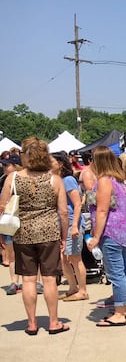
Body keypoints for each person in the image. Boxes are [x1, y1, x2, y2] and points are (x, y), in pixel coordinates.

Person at [0, 137, 68, 335]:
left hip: (23, 233)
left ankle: (31, 323)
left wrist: (3, 233)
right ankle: (53, 322)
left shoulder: (13, 178)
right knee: (49, 279)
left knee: (28, 280)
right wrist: (64, 236)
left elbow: (3, 206)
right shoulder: (54, 179)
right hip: (48, 233)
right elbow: (63, 212)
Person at [87, 147, 126, 326]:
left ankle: (119, 313)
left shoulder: (104, 182)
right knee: (123, 271)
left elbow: (101, 210)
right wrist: (121, 217)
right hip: (122, 232)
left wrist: (96, 236)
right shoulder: (118, 181)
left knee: (116, 274)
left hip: (110, 233)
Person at [51, 152, 89, 302]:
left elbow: (77, 204)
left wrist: (74, 226)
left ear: (60, 163)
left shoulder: (67, 180)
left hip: (72, 221)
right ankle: (73, 287)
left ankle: (83, 290)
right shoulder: (60, 180)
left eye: (51, 161)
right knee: (64, 258)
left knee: (75, 257)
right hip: (63, 222)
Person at [1, 154, 22, 294]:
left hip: (11, 219)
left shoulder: (10, 179)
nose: (3, 167)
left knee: (13, 254)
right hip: (18, 219)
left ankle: (15, 282)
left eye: (6, 165)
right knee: (16, 254)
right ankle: (35, 282)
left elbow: (2, 203)